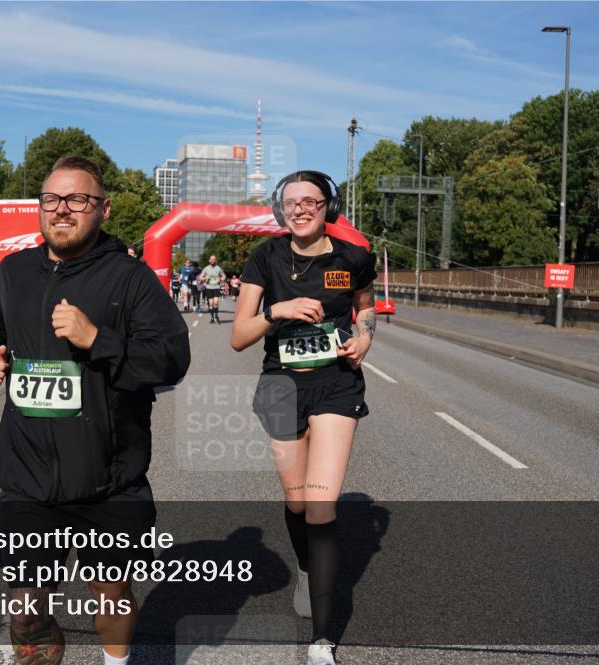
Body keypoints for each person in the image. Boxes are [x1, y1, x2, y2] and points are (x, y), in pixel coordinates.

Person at [0, 156, 190, 665]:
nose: (62, 210)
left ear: (104, 210)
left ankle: (117, 662)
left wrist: (99, 339)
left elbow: (172, 361)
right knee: (26, 608)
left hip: (109, 479)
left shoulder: (131, 279)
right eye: (51, 200)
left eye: (78, 200)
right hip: (27, 477)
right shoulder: (12, 271)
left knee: (109, 595)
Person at [230, 171, 376, 665]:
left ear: (327, 207)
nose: (300, 209)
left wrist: (365, 339)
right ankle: (308, 567)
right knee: (296, 505)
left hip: (336, 385)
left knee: (320, 507)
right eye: (291, 202)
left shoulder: (353, 256)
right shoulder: (265, 258)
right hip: (280, 387)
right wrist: (280, 310)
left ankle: (321, 640)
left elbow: (366, 308)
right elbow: (239, 336)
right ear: (280, 209)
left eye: (311, 201)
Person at [197, 255, 226, 324]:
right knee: (211, 303)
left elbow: (224, 276)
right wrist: (205, 278)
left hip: (216, 287)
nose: (213, 260)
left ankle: (216, 316)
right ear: (209, 260)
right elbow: (200, 277)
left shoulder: (218, 268)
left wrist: (220, 279)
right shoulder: (206, 268)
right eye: (211, 259)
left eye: (214, 259)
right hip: (209, 288)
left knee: (215, 302)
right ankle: (212, 317)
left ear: (215, 261)